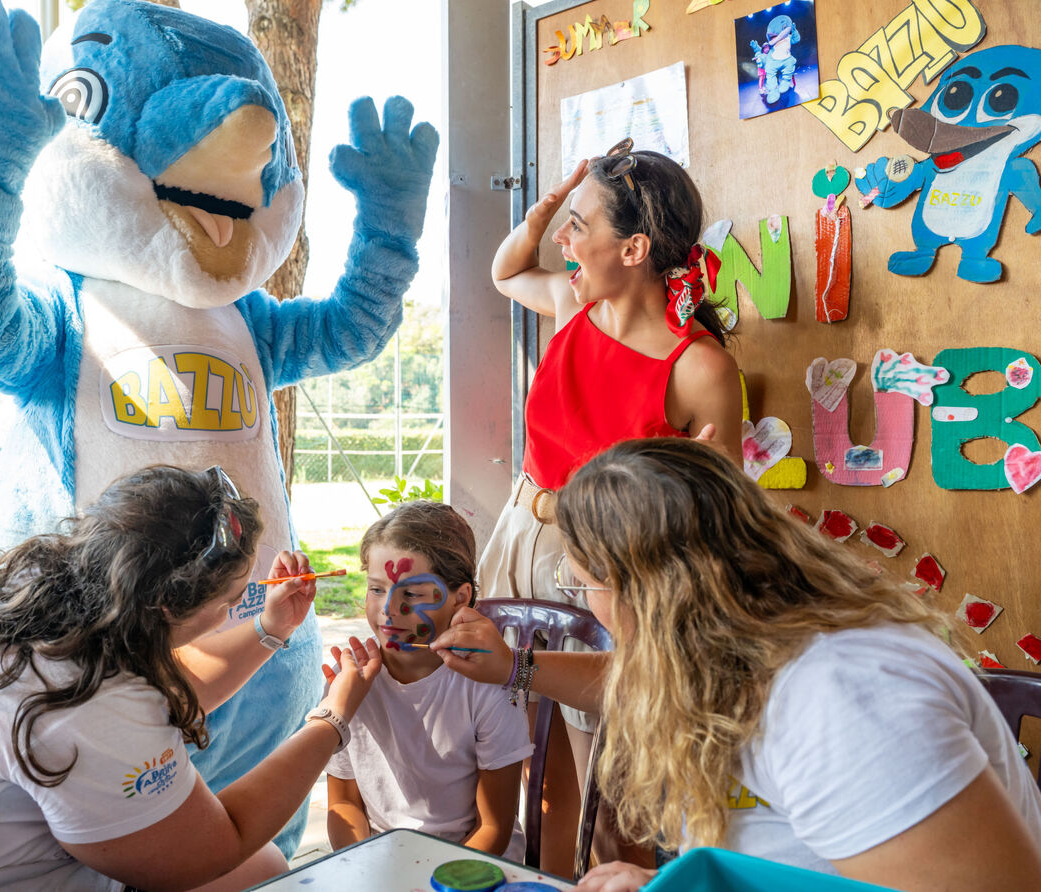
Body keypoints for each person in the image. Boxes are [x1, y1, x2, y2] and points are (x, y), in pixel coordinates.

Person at [436, 438, 1041, 891]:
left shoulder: (845, 696)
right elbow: (635, 685)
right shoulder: (747, 645)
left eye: (585, 585)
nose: (587, 601)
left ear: (648, 593)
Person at [0, 465, 381, 892]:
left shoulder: (39, 586)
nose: (239, 607)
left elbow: (165, 691)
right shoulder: (80, 705)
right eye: (233, 600)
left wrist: (270, 627)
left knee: (261, 866)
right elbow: (212, 849)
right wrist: (331, 720)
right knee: (258, 868)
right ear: (167, 606)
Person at [481, 140, 743, 872]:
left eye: (580, 224)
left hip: (609, 573)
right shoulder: (573, 301)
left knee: (607, 779)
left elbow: (725, 520)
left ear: (633, 249)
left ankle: (621, 880)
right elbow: (506, 272)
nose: (564, 241)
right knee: (526, 754)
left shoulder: (700, 368)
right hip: (518, 536)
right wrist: (544, 212)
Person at [325, 501, 533, 860]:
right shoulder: (349, 681)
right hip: (380, 860)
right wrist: (360, 865)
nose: (388, 609)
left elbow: (493, 828)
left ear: (460, 598)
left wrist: (423, 880)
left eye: (411, 594)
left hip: (472, 866)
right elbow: (343, 804)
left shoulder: (489, 687)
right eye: (376, 589)